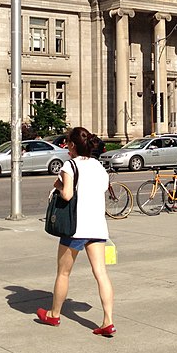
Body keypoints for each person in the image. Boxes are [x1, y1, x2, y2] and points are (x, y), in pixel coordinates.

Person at [36, 126, 115, 336]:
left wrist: (59, 185)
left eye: (67, 143)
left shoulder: (69, 165)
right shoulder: (99, 166)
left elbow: (68, 195)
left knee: (63, 273)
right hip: (97, 226)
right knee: (101, 273)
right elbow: (102, 189)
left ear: (72, 145)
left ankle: (54, 314)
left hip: (75, 228)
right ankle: (108, 320)